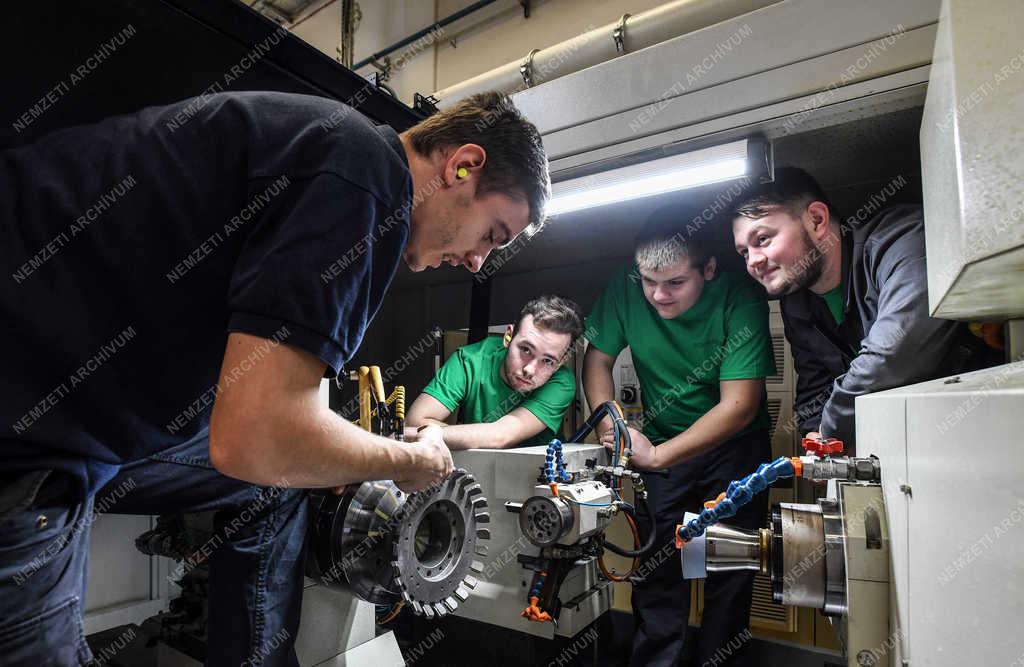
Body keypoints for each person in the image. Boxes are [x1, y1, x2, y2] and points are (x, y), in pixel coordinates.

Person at [0, 89, 548, 665]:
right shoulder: (362, 176)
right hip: (32, 432)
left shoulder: (330, 149)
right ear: (463, 166)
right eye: (493, 234)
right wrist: (404, 462)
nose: (477, 262)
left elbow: (251, 428)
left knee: (272, 487)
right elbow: (257, 437)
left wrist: (322, 453)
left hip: (85, 418)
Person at [582, 213, 776, 667]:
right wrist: (609, 422)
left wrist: (658, 455)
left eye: (674, 283)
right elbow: (597, 361)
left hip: (734, 450)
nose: (657, 295)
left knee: (728, 575)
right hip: (663, 449)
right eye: (648, 282)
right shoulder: (625, 287)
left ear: (708, 270)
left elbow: (739, 405)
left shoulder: (740, 297)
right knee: (657, 570)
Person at [730, 167, 996, 451]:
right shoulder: (796, 303)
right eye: (744, 251)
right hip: (907, 447)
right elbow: (813, 387)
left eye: (762, 239)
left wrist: (829, 430)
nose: (752, 261)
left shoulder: (900, 240)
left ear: (817, 220)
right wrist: (816, 444)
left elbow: (895, 354)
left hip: (981, 429)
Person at [406, 294, 582, 449]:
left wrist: (429, 434)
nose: (529, 370)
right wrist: (482, 436)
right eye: (526, 350)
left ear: (559, 363)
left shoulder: (561, 382)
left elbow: (501, 436)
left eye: (548, 361)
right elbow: (414, 421)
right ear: (508, 337)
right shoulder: (470, 360)